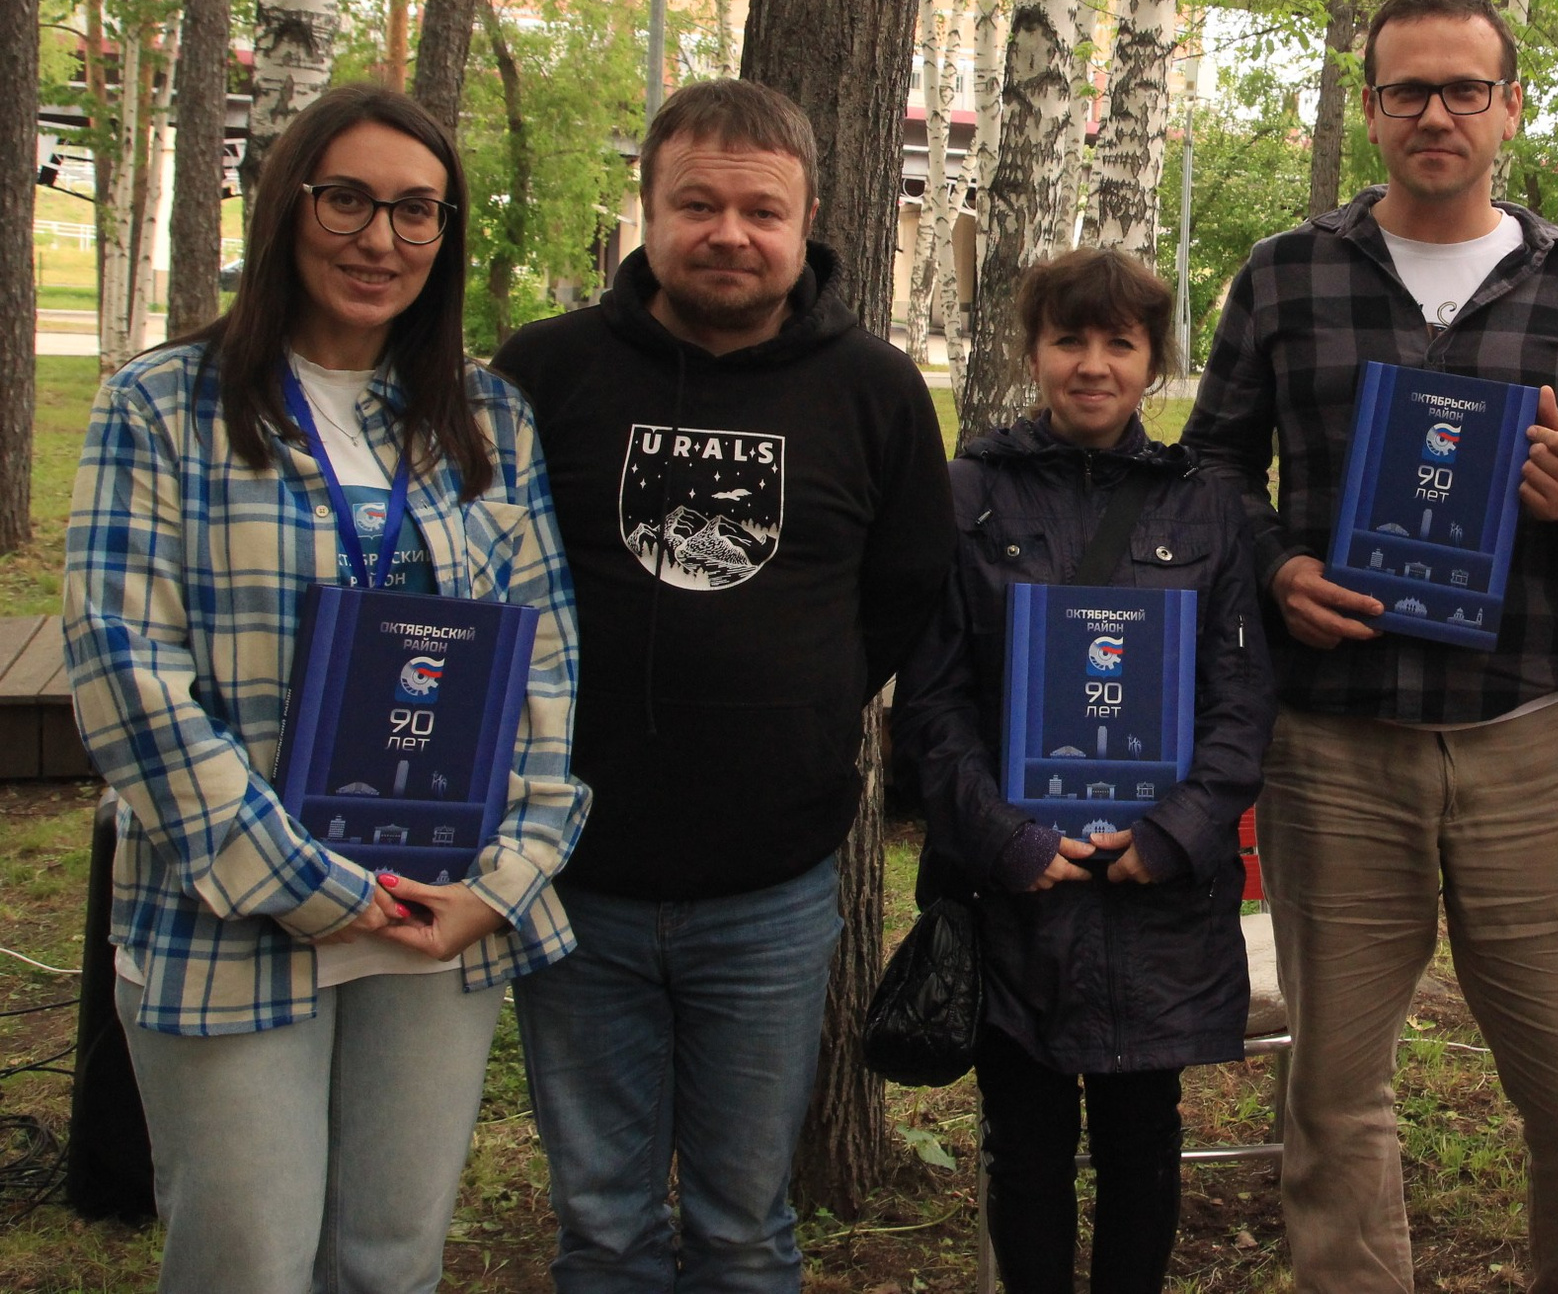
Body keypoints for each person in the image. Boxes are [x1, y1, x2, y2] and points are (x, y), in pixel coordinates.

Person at [63, 84, 588, 1293]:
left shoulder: (487, 418)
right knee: (245, 1259)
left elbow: (545, 662)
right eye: (347, 199)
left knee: (390, 1258)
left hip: (435, 914)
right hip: (234, 913)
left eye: (417, 211)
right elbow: (123, 675)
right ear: (288, 203)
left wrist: (503, 879)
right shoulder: (162, 407)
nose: (380, 238)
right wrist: (313, 888)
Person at [1181, 0, 1558, 1292]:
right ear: (1372, 108)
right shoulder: (1286, 274)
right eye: (1407, 90)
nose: (1435, 112)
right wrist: (1274, 569)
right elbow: (1212, 468)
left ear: (1511, 105)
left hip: (1531, 735)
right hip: (1335, 738)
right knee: (1335, 1094)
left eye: (1463, 88)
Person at [492, 79, 955, 1291]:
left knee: (745, 1225)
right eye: (697, 203)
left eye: (762, 210)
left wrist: (793, 704)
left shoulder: (876, 389)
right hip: (570, 871)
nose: (730, 234)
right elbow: (476, 577)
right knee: (601, 1221)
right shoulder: (542, 373)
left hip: (773, 886)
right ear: (646, 208)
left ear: (809, 223)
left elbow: (903, 589)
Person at [891, 247, 1274, 1294]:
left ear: (1153, 362)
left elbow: (1241, 703)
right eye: (1070, 339)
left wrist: (1173, 835)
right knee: (1024, 1143)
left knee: (1144, 1141)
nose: (1093, 364)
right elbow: (933, 698)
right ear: (1033, 352)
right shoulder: (969, 492)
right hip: (1015, 886)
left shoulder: (1206, 508)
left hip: (1152, 892)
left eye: (1120, 342)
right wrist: (1004, 841)